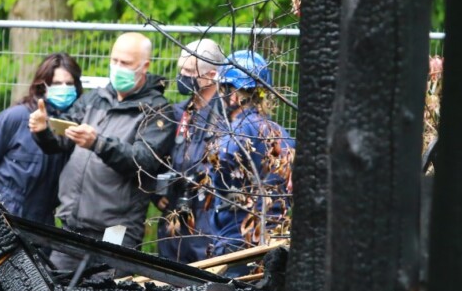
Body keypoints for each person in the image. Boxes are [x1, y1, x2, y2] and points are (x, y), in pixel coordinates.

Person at [30, 32, 174, 266]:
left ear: (144, 65)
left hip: (116, 231)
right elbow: (60, 142)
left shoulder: (157, 110)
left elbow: (143, 162)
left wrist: (98, 143)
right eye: (114, 60)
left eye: (125, 63)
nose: (117, 68)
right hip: (72, 226)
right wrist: (42, 131)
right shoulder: (95, 98)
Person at [0, 53, 83, 274]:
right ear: (42, 85)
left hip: (41, 226)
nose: (63, 88)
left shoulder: (73, 130)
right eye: (56, 83)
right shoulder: (16, 118)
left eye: (69, 83)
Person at [194, 50, 295, 260]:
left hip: (237, 238)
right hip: (273, 236)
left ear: (231, 93)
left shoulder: (239, 129)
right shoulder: (277, 131)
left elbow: (222, 164)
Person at [156, 39, 226, 264]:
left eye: (189, 71)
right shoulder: (178, 113)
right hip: (173, 218)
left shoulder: (225, 119)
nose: (182, 77)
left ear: (212, 75)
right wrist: (156, 191)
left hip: (206, 219)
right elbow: (157, 157)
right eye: (181, 70)